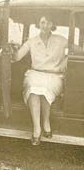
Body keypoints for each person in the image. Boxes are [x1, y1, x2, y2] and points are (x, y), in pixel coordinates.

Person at [13, 15, 68, 145]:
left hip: (54, 76)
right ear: (39, 24)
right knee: (33, 89)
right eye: (42, 22)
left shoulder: (61, 40)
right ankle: (36, 128)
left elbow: (79, 50)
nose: (45, 25)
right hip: (35, 74)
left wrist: (66, 61)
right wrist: (13, 49)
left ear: (52, 25)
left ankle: (46, 121)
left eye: (48, 23)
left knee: (45, 89)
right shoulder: (32, 41)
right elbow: (17, 57)